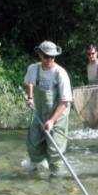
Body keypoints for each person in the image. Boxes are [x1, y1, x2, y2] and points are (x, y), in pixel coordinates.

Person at [22, 41, 72, 176]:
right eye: (46, 56)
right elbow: (29, 83)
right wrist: (30, 97)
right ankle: (36, 168)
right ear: (40, 55)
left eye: (52, 57)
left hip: (58, 114)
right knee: (33, 142)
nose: (50, 59)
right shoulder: (33, 68)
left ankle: (55, 175)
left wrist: (51, 121)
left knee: (54, 149)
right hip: (40, 111)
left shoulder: (60, 74)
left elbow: (65, 102)